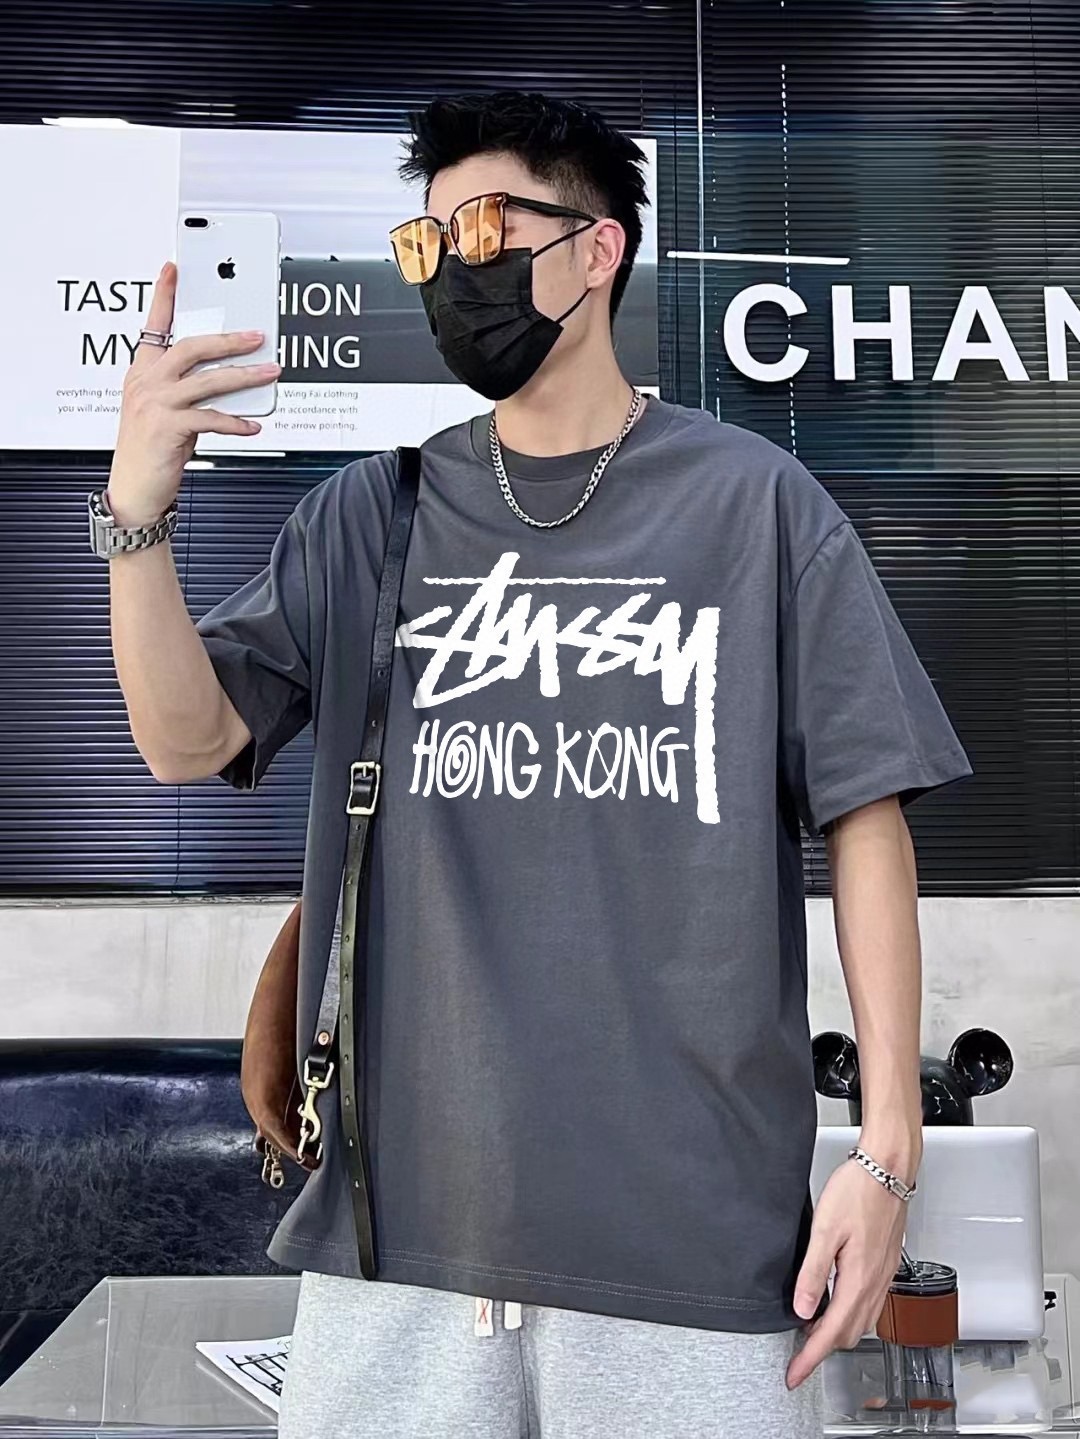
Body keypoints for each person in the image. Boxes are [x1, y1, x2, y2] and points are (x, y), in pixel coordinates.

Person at [103, 90, 972, 1439]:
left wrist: (887, 1154)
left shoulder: (755, 505)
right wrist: (137, 519)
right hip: (399, 1247)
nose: (454, 268)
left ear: (598, 248)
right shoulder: (371, 516)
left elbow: (867, 815)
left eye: (489, 228)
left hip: (689, 1248)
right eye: (430, 239)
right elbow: (187, 738)